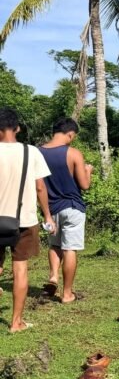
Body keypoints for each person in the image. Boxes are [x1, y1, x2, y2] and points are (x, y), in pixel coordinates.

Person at [0, 108, 54, 333]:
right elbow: (40, 186)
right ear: (18, 128)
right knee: (20, 269)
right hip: (23, 219)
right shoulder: (31, 152)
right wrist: (48, 216)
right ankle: (16, 322)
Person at [39, 118, 92, 304]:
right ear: (70, 134)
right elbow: (84, 185)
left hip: (50, 208)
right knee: (70, 248)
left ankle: (53, 276)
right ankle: (67, 293)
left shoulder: (38, 152)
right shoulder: (73, 153)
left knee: (55, 245)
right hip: (72, 206)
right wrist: (88, 171)